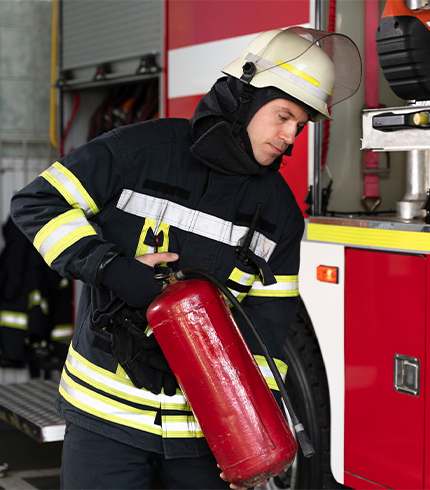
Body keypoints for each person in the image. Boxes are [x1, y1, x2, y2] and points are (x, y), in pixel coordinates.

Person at [10, 27, 361, 490]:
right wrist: (110, 267)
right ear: (245, 97)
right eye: (283, 116)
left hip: (202, 441)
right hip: (105, 423)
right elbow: (37, 202)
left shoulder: (280, 214)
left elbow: (267, 333)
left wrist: (252, 436)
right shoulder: (142, 150)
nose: (290, 136)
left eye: (301, 125)